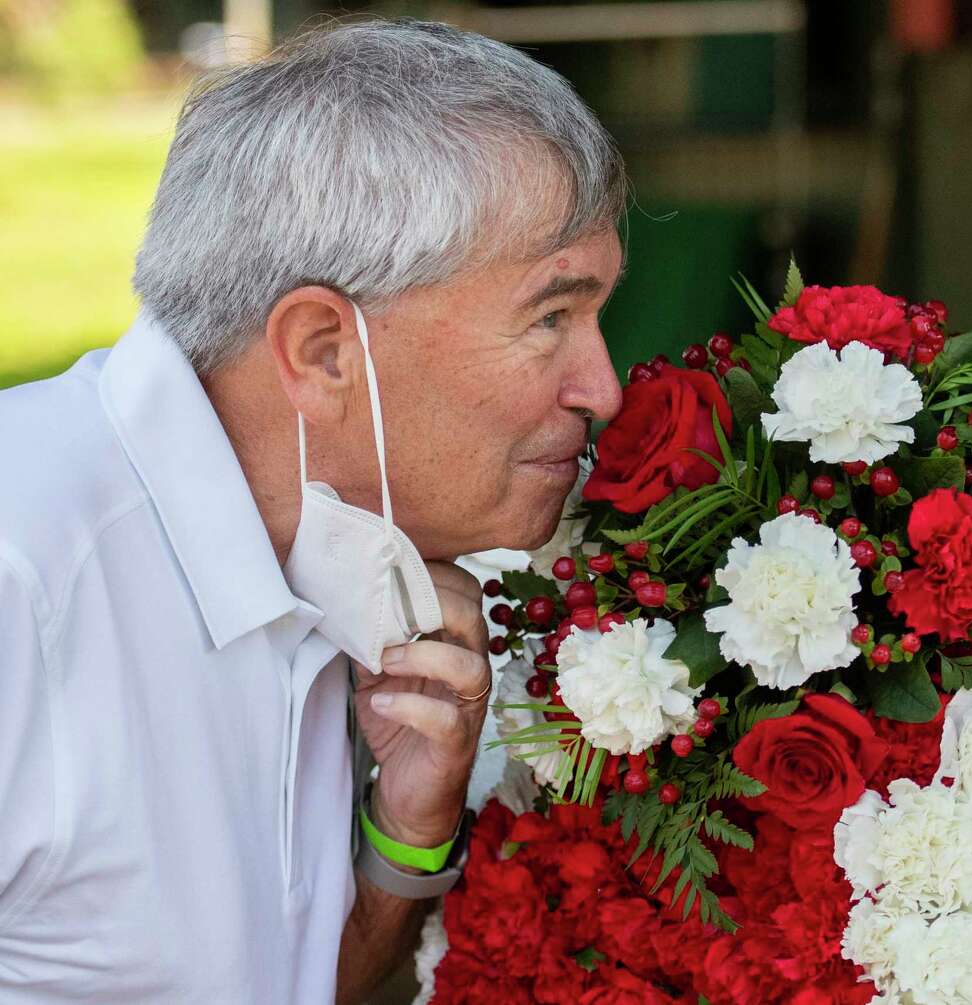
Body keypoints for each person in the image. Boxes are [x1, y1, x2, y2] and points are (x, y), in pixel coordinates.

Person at [0, 19, 625, 1003]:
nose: (603, 389)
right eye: (550, 318)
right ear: (326, 352)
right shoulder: (21, 570)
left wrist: (406, 835)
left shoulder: (337, 555)